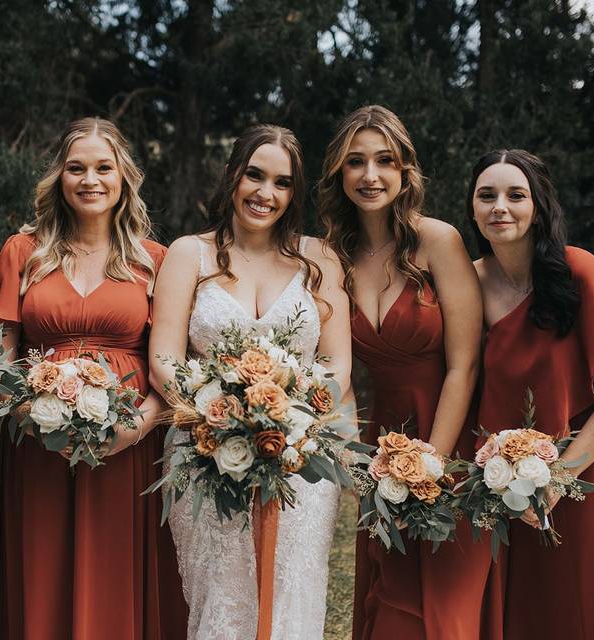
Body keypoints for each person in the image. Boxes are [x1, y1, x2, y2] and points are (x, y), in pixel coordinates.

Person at [149, 124, 353, 639]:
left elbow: (336, 366)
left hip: (299, 461)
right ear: (231, 176)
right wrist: (218, 423)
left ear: (294, 192)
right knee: (221, 596)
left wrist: (292, 422)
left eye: (281, 183)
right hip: (203, 454)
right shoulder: (187, 254)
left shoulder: (319, 259)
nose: (265, 193)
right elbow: (164, 360)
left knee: (292, 593)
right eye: (254, 176)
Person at [0, 117, 186, 639]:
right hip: (38, 442)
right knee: (43, 563)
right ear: (58, 176)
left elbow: (171, 365)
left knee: (115, 569)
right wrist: (31, 416)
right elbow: (1, 357)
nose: (90, 179)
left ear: (124, 178)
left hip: (130, 443)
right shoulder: (22, 252)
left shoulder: (155, 261)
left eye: (104, 167)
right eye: (76, 168)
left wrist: (137, 427)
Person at [468, 149, 594, 639]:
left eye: (515, 195)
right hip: (523, 464)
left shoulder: (579, 270)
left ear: (538, 206)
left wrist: (557, 478)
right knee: (546, 600)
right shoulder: (470, 282)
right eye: (487, 195)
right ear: (473, 209)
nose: (500, 206)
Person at [319, 105, 496, 640]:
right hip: (383, 441)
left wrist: (433, 466)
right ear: (339, 174)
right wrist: (354, 456)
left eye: (384, 161)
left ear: (404, 171)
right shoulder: (334, 255)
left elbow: (464, 366)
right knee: (389, 591)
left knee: (442, 601)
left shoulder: (438, 241)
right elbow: (336, 369)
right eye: (356, 162)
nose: (370, 176)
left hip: (452, 434)